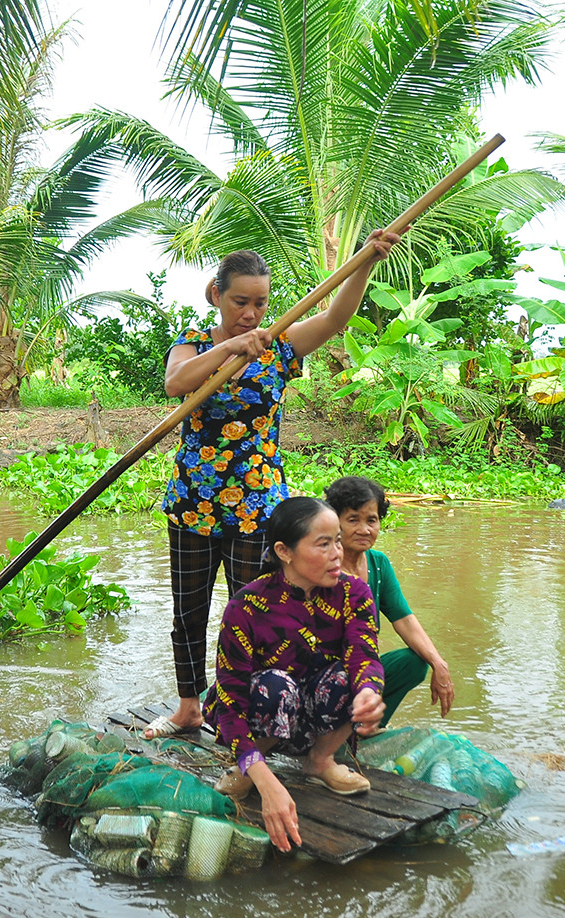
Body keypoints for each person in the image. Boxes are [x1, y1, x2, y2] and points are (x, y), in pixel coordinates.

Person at [143, 231, 402, 740]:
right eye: (240, 302)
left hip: (259, 506)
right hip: (194, 502)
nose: (251, 313)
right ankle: (189, 708)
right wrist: (232, 347)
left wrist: (365, 262)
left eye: (260, 303)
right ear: (216, 295)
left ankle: (247, 715)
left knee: (260, 612)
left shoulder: (280, 344)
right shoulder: (194, 345)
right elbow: (176, 385)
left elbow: (335, 319)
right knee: (188, 614)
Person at [201, 497, 385, 852]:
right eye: (323, 543)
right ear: (284, 551)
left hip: (316, 720)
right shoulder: (246, 606)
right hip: (264, 716)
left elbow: (365, 656)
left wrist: (367, 692)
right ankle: (249, 767)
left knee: (358, 680)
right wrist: (266, 782)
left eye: (337, 540)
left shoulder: (354, 593)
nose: (338, 552)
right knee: (275, 687)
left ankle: (320, 760)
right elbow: (230, 702)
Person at [324, 475, 454, 724]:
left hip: (362, 670)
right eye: (353, 520)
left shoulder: (378, 564)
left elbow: (403, 618)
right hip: (324, 672)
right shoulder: (322, 565)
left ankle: (368, 728)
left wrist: (439, 664)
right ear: (335, 522)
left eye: (372, 520)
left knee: (416, 662)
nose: (365, 530)